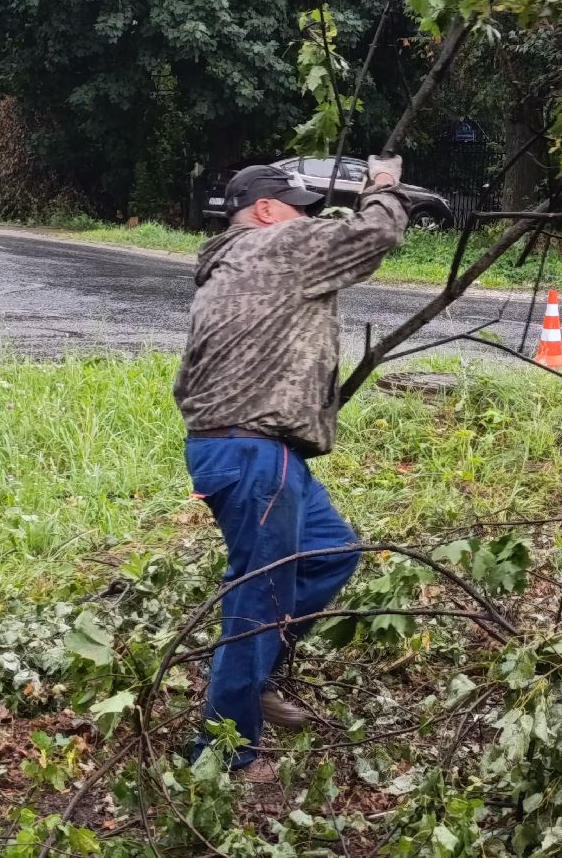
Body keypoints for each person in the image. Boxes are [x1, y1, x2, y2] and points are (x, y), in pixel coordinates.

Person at [173, 158, 408, 779]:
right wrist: (381, 185)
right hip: (254, 452)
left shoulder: (231, 260)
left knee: (331, 551)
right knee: (259, 595)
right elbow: (376, 235)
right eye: (298, 205)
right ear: (267, 210)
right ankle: (225, 754)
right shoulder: (276, 245)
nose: (306, 215)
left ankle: (249, 667)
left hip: (245, 450)